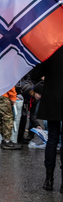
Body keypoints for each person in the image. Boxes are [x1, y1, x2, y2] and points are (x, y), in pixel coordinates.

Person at [30, 45, 63, 190]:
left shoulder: (51, 50)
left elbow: (34, 74)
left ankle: (48, 180)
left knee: (52, 139)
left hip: (52, 101)